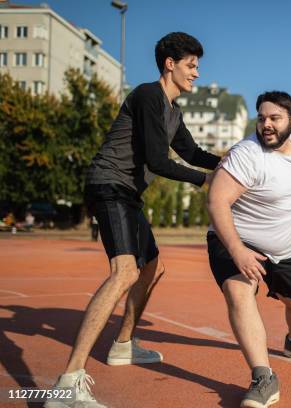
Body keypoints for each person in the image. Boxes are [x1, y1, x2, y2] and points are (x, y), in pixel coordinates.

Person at [45, 32, 220, 408]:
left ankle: (123, 344)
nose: (196, 73)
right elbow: (159, 161)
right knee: (124, 271)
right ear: (170, 64)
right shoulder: (147, 96)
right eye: (191, 65)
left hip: (127, 193)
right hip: (109, 185)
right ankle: (68, 382)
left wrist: (231, 163)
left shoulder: (173, 110)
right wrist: (204, 179)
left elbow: (190, 151)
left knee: (150, 263)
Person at [207, 91, 291, 408]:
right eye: (261, 118)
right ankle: (263, 377)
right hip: (236, 240)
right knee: (239, 291)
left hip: (285, 248)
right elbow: (217, 200)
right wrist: (237, 250)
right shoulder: (247, 154)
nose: (266, 125)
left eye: (274, 118)